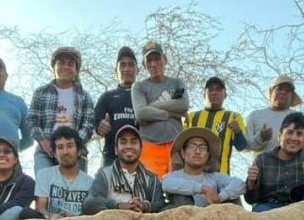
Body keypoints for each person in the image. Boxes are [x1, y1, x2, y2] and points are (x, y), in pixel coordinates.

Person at [244, 112, 304, 212]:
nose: (294, 138)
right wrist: (251, 183)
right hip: (271, 208)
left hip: (301, 208)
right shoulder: (262, 159)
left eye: (299, 134)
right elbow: (250, 199)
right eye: (290, 132)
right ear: (279, 136)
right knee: (259, 211)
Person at [27, 47, 95, 174]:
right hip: (45, 150)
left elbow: (88, 125)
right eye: (61, 63)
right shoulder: (41, 92)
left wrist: (73, 144)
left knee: (76, 190)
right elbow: (32, 120)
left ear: (76, 70)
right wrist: (43, 141)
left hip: (76, 153)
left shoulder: (84, 96)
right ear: (54, 67)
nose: (66, 67)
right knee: (44, 186)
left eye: (70, 64)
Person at [131, 42, 189, 177]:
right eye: (149, 60)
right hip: (150, 146)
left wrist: (152, 106)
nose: (153, 64)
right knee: (150, 192)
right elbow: (140, 113)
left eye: (157, 59)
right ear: (144, 64)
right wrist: (169, 114)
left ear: (165, 59)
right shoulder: (139, 87)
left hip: (177, 147)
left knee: (180, 192)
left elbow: (183, 105)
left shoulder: (177, 83)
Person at [84, 125, 164, 215]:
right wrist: (118, 206)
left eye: (133, 142)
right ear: (115, 149)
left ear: (141, 149)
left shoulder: (152, 178)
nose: (129, 146)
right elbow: (90, 203)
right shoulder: (104, 175)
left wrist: (144, 206)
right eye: (123, 142)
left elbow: (161, 206)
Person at [162, 128, 245, 207]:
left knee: (233, 197)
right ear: (183, 153)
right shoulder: (173, 176)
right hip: (184, 219)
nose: (198, 152)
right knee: (180, 197)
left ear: (208, 156)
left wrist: (221, 197)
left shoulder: (214, 177)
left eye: (203, 148)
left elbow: (239, 183)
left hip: (211, 218)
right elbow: (166, 184)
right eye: (192, 146)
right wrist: (203, 189)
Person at [185, 77, 247, 175]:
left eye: (218, 89)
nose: (214, 93)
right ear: (204, 95)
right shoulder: (191, 117)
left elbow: (241, 146)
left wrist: (238, 132)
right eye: (210, 89)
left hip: (220, 178)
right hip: (193, 176)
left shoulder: (233, 117)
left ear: (225, 95)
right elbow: (182, 147)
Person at [34, 126, 95, 219]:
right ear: (54, 153)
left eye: (70, 146)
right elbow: (40, 209)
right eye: (60, 147)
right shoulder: (44, 175)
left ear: (79, 151)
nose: (65, 152)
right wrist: (52, 217)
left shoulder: (91, 183)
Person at [94, 47, 139, 168]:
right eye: (122, 65)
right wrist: (99, 127)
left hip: (139, 159)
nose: (127, 69)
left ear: (137, 70)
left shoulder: (145, 96)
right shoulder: (107, 97)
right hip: (111, 159)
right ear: (116, 71)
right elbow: (95, 123)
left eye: (130, 65)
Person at [245, 75, 304, 156]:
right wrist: (261, 138)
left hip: (292, 167)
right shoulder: (255, 115)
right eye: (279, 88)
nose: (283, 92)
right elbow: (245, 146)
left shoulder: (299, 117)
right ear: (271, 92)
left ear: (292, 96)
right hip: (260, 167)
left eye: (288, 90)